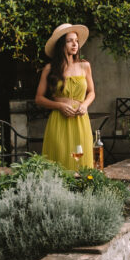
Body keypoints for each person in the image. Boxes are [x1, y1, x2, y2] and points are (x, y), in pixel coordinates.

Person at [36, 22, 95, 170]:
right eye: (69, 41)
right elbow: (39, 98)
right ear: (61, 44)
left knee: (82, 164)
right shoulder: (50, 69)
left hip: (80, 120)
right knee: (59, 162)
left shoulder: (84, 65)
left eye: (76, 41)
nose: (74, 44)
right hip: (59, 121)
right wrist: (59, 105)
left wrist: (85, 105)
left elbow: (91, 92)